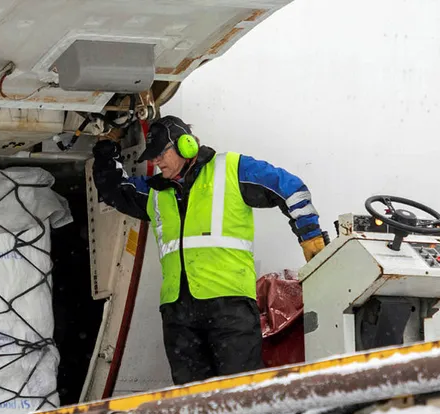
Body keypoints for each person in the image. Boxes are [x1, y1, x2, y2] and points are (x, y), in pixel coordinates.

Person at [92, 115, 327, 385]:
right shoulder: (156, 192)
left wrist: (309, 236)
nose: (156, 162)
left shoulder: (231, 169)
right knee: (193, 401)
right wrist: (106, 145)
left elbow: (291, 189)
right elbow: (113, 189)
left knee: (239, 394)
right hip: (178, 313)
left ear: (186, 145)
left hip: (229, 307)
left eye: (160, 154)